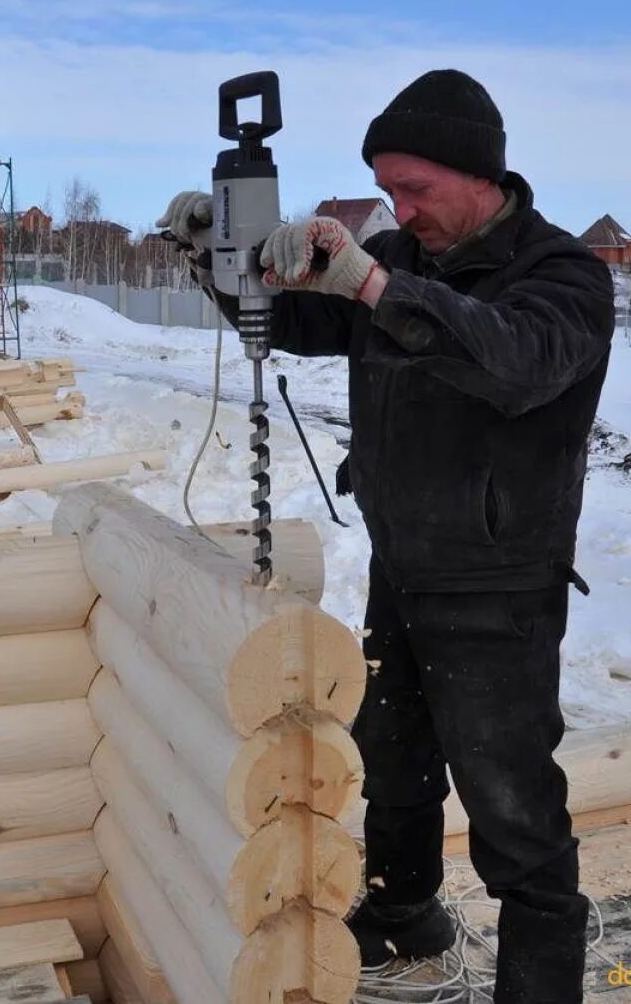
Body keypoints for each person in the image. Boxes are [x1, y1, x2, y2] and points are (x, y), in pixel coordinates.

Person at [158, 69, 614, 1003]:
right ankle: (406, 916)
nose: (401, 209)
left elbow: (515, 363)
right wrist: (215, 254)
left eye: (418, 190)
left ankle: (541, 981)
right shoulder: (404, 256)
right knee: (394, 763)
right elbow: (292, 318)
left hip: (498, 581)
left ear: (483, 176)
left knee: (510, 800)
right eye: (391, 189)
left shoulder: (558, 271)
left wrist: (372, 279)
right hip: (403, 564)